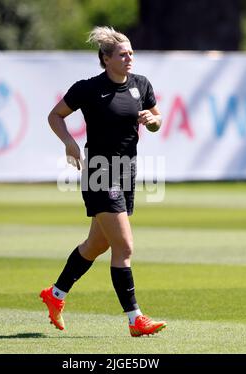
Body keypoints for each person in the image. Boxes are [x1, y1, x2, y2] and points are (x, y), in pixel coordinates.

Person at [40, 26, 167, 337]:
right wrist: (69, 143)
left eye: (131, 53)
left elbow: (157, 118)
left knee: (96, 244)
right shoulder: (88, 88)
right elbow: (55, 115)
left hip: (127, 172)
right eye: (123, 54)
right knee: (124, 246)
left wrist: (154, 121)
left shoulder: (141, 85)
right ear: (106, 59)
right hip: (99, 172)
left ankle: (54, 294)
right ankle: (135, 319)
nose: (129, 58)